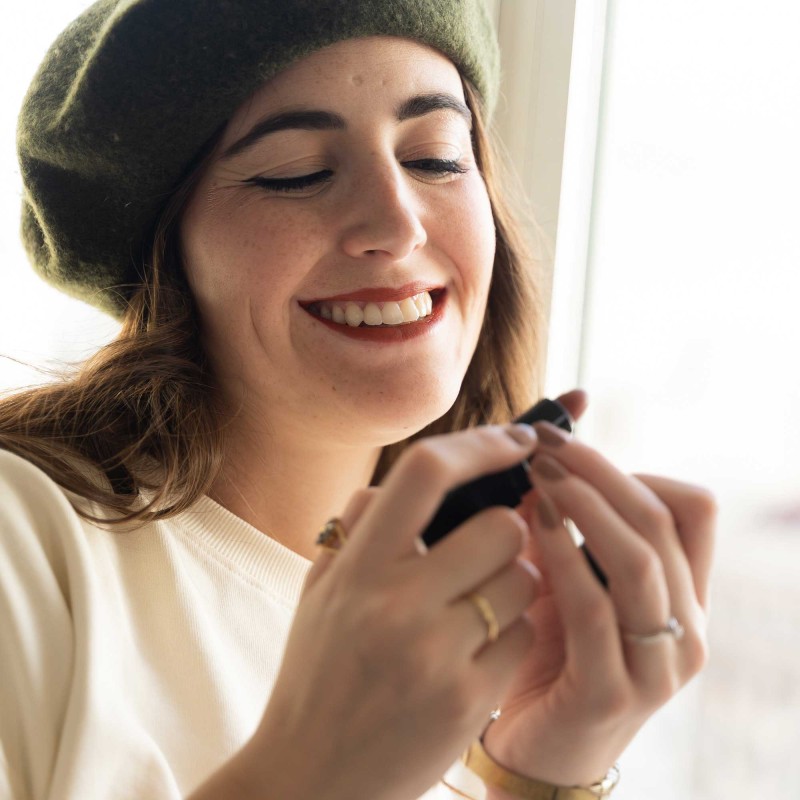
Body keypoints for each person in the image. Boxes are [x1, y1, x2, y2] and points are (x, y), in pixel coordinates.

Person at [0, 1, 716, 798]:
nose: (395, 223)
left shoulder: (471, 656)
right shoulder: (24, 546)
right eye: (297, 173)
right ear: (167, 254)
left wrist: (532, 778)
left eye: (438, 158)